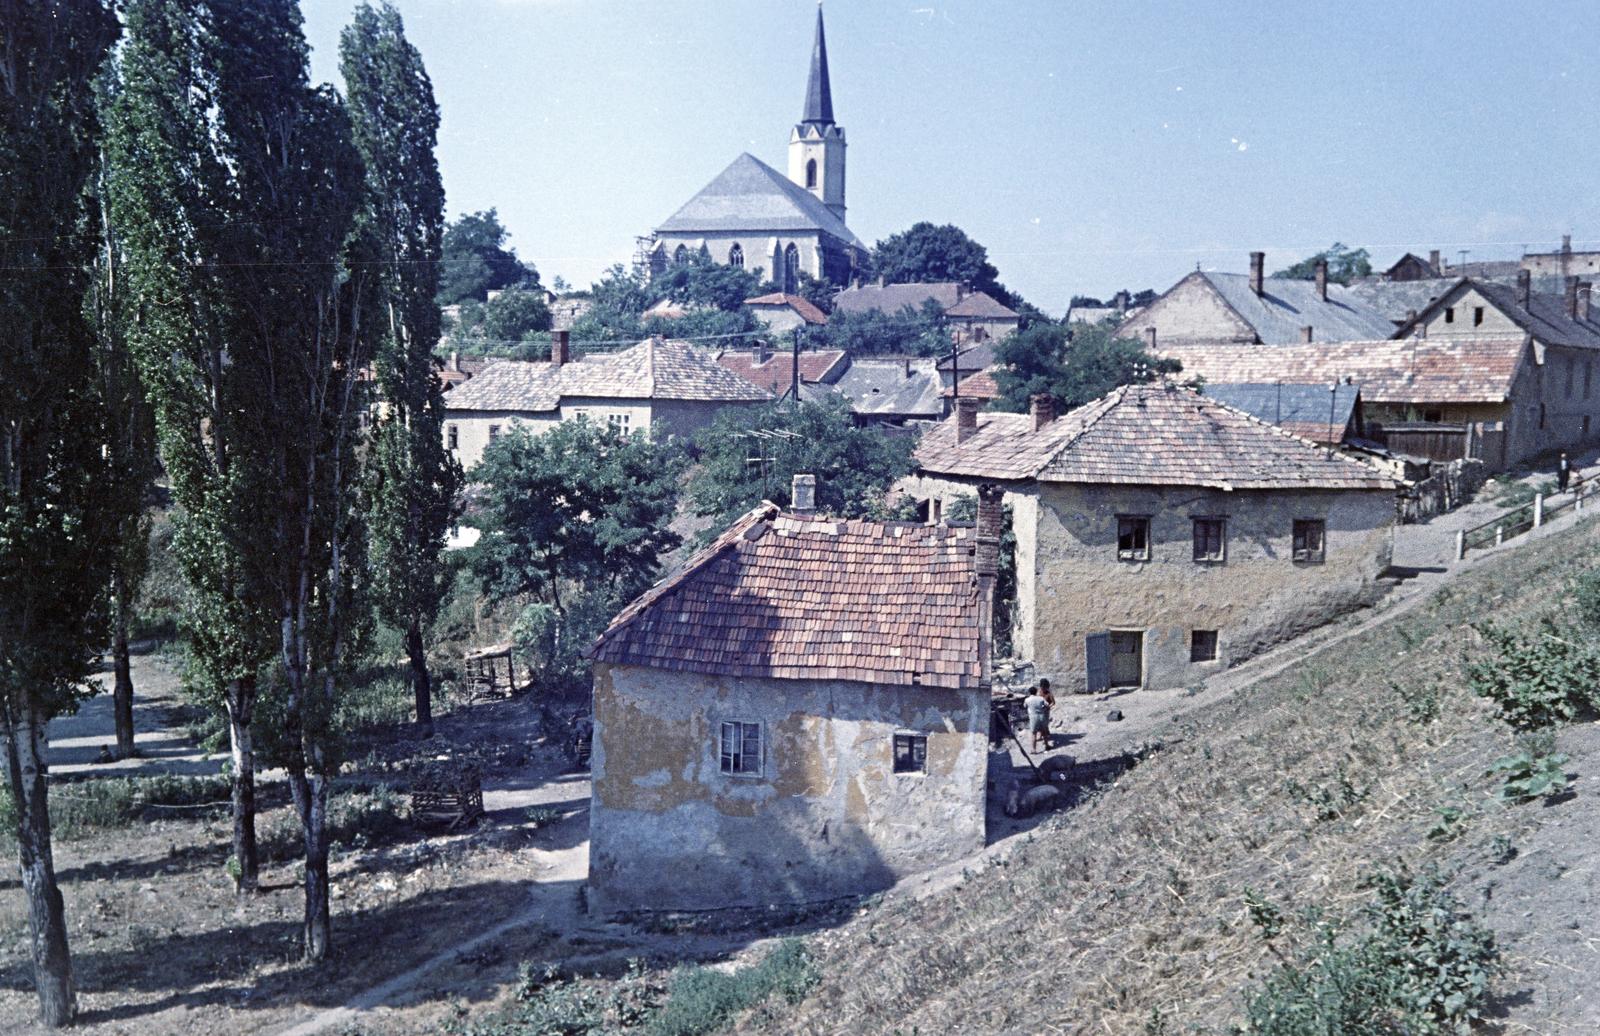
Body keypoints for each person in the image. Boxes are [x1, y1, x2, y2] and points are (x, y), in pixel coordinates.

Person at [1023, 679, 1055, 753]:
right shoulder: (1041, 697)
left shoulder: (1027, 699)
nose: (1043, 688)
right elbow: (1046, 704)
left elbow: (1025, 706)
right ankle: (1046, 745)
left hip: (1035, 716)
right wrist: (1044, 707)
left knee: (1034, 733)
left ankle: (1033, 749)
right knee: (1044, 731)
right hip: (1042, 714)